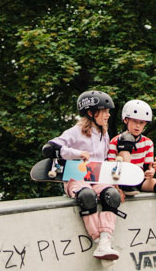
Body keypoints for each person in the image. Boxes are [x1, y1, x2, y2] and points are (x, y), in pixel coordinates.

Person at [41, 90, 123, 262]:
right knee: (87, 196)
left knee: (112, 195)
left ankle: (106, 239)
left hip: (97, 177)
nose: (108, 115)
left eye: (108, 111)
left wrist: (115, 183)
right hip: (76, 176)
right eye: (104, 111)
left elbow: (104, 160)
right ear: (91, 113)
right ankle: (98, 240)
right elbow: (50, 148)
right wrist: (76, 153)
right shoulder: (75, 131)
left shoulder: (104, 134)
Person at [107, 99, 156, 245]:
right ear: (126, 120)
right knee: (125, 143)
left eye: (142, 123)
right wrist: (117, 187)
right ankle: (127, 184)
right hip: (122, 179)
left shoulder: (148, 142)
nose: (138, 126)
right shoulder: (114, 141)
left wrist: (151, 172)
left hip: (140, 180)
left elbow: (148, 167)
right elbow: (111, 168)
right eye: (135, 122)